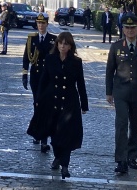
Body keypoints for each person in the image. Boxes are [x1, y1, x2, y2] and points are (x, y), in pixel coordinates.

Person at [27, 31, 88, 179]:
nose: (62, 46)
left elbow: (81, 84)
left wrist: (84, 105)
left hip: (69, 102)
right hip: (51, 100)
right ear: (57, 44)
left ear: (70, 46)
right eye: (60, 43)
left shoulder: (76, 62)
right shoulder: (50, 59)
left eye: (66, 44)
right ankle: (57, 157)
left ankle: (65, 166)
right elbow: (43, 80)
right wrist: (38, 99)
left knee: (66, 134)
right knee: (54, 132)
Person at [106, 13, 137, 174]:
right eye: (127, 28)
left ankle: (131, 156)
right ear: (123, 29)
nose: (130, 31)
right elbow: (109, 71)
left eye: (132, 27)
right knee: (121, 125)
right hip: (120, 92)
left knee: (135, 126)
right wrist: (109, 92)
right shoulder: (116, 47)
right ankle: (121, 160)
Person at [22, 13, 57, 153]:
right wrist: (24, 74)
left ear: (47, 24)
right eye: (39, 23)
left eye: (43, 23)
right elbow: (26, 57)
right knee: (37, 104)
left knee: (46, 106)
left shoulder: (53, 40)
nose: (41, 26)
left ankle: (44, 140)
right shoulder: (32, 39)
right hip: (36, 77)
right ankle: (37, 132)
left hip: (48, 77)